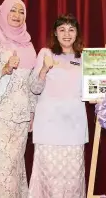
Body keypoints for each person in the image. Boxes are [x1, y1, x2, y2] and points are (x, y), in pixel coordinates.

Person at [0, 0, 46, 198]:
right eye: (12, 10)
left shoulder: (28, 44)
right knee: (2, 168)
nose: (17, 15)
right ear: (3, 13)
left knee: (15, 167)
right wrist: (3, 69)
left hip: (21, 116)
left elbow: (30, 85)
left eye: (21, 11)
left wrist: (32, 112)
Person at [28, 14, 89, 198]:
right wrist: (45, 69)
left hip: (74, 128)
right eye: (62, 29)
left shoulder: (85, 57)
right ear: (55, 33)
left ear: (77, 33)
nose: (67, 34)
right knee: (49, 180)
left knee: (73, 180)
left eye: (71, 29)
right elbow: (34, 88)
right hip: (49, 129)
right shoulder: (45, 53)